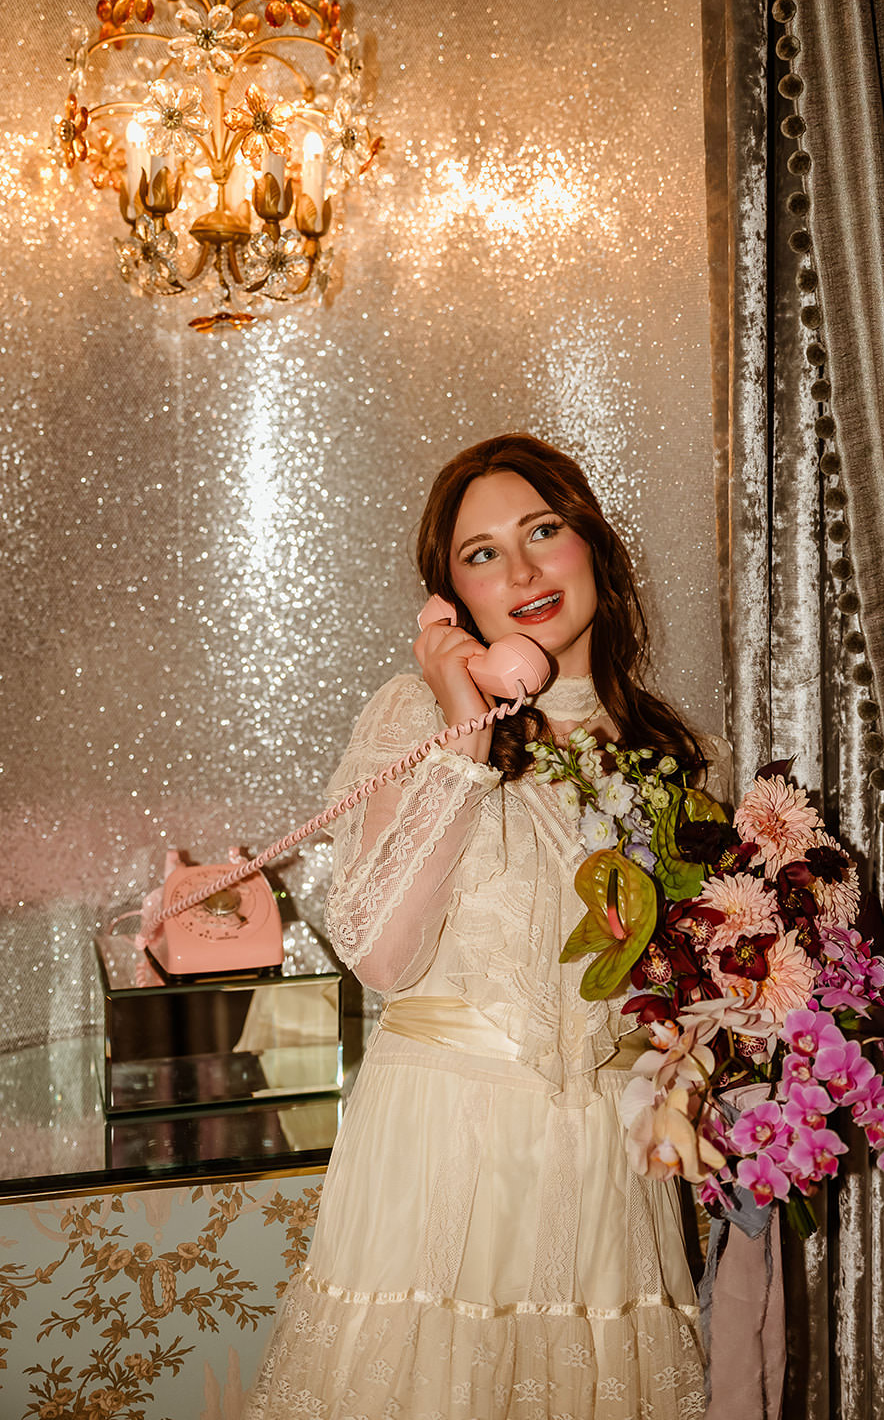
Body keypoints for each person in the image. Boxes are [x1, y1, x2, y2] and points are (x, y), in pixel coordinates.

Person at [243, 434, 712, 1420]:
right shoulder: (412, 716)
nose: (524, 572)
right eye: (483, 553)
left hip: (602, 1174)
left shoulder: (675, 753)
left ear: (592, 546)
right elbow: (380, 954)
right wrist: (463, 725)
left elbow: (687, 997)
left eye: (542, 531)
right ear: (450, 601)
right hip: (440, 1149)